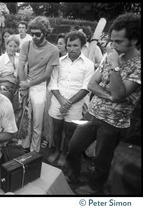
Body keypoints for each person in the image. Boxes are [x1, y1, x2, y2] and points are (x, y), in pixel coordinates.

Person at [66, 13, 141, 195]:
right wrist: (112, 96)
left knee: (102, 160)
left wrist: (115, 66)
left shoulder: (138, 65)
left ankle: (94, 187)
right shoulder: (108, 57)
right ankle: (73, 175)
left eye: (118, 41)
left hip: (113, 123)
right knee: (73, 149)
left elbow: (120, 93)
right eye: (111, 40)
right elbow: (92, 84)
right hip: (92, 114)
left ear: (135, 40)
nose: (113, 46)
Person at [48, 31, 94, 167]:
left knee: (69, 132)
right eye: (69, 45)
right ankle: (57, 151)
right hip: (57, 101)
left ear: (82, 46)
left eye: (75, 46)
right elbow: (53, 83)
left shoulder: (88, 64)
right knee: (56, 130)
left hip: (75, 105)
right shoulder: (59, 62)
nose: (72, 49)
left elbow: (86, 87)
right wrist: (62, 101)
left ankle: (64, 154)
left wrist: (68, 103)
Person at [17, 16, 59, 153]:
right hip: (25, 83)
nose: (34, 37)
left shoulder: (53, 50)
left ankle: (34, 151)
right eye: (32, 33)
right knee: (25, 120)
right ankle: (24, 147)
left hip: (40, 87)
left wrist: (28, 85)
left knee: (37, 123)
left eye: (38, 34)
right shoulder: (26, 45)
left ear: (45, 33)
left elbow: (47, 74)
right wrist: (24, 85)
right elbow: (20, 66)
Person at [0, 35, 20, 100]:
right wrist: (7, 79)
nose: (12, 49)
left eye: (15, 46)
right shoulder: (1, 59)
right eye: (10, 46)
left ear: (18, 47)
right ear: (6, 46)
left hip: (18, 89)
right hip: (5, 89)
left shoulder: (20, 57)